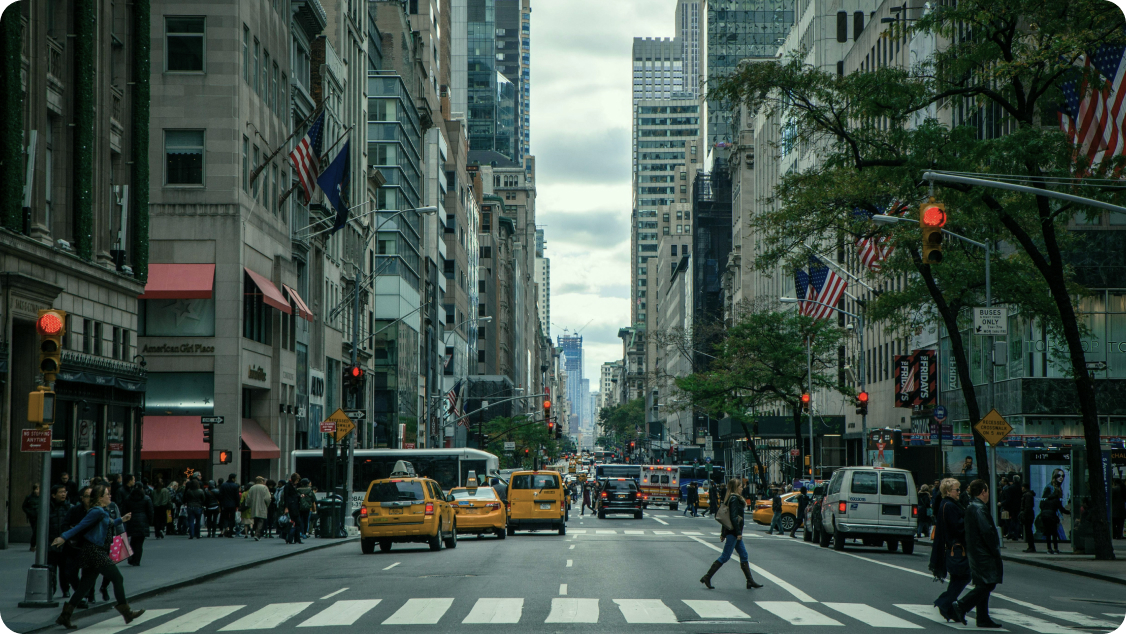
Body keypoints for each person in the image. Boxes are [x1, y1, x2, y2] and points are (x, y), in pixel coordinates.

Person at [53, 484, 143, 629]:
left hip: (94, 551)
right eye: (107, 494)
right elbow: (80, 526)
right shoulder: (97, 511)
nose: (110, 496)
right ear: (100, 498)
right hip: (95, 551)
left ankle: (65, 616)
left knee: (84, 587)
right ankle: (126, 612)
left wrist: (122, 519)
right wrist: (63, 537)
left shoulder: (102, 511)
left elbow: (110, 523)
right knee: (117, 578)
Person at [951, 480, 1003, 628]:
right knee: (988, 583)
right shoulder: (979, 508)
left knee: (983, 583)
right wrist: (995, 550)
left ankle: (982, 617)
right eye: (987, 491)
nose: (988, 495)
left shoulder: (971, 507)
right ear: (983, 492)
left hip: (975, 552)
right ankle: (962, 606)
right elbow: (987, 531)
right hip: (983, 553)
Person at [699, 478, 763, 590]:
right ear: (735, 488)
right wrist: (737, 533)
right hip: (734, 533)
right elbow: (733, 517)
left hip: (732, 532)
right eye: (740, 487)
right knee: (725, 556)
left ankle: (750, 581)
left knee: (744, 555)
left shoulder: (731, 498)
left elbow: (726, 517)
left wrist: (723, 533)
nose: (742, 489)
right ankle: (707, 577)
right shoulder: (734, 499)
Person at [930, 478, 970, 623]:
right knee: (964, 576)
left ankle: (950, 609)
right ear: (948, 491)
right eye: (957, 490)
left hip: (951, 548)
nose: (959, 492)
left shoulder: (945, 504)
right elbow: (958, 528)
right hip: (957, 548)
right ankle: (945, 603)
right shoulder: (950, 506)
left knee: (957, 579)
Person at [62, 486, 94, 607]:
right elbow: (65, 524)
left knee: (88, 573)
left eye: (91, 496)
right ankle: (82, 593)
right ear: (82, 498)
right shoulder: (74, 510)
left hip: (90, 547)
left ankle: (88, 594)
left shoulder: (97, 511)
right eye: (86, 496)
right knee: (70, 573)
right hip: (74, 547)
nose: (89, 499)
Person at [47, 484, 73, 598]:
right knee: (51, 569)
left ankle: (65, 589)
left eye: (64, 492)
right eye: (60, 492)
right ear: (53, 495)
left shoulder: (69, 507)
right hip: (51, 543)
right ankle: (51, 589)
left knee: (64, 570)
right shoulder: (47, 508)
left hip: (65, 544)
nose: (63, 494)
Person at [121, 485, 153, 566]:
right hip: (143, 521)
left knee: (133, 540)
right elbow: (150, 512)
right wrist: (150, 522)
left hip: (131, 521)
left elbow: (124, 510)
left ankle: (131, 556)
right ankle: (136, 560)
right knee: (139, 543)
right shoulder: (146, 499)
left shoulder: (128, 498)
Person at [1039, 486, 1069, 554]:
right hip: (1051, 517)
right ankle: (1055, 548)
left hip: (1044, 516)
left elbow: (1042, 507)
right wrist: (1070, 512)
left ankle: (1049, 549)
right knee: (1054, 534)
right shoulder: (1056, 500)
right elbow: (1062, 509)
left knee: (1048, 533)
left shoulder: (1047, 499)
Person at [283, 473, 304, 544]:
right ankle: (291, 538)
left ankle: (295, 538)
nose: (298, 482)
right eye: (297, 480)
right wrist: (286, 507)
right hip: (291, 506)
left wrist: (299, 496)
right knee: (293, 522)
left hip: (295, 506)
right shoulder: (288, 486)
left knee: (296, 522)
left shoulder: (293, 486)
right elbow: (286, 497)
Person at [23, 484, 41, 551]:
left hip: (40, 516)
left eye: (39, 489)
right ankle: (33, 545)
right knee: (35, 530)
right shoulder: (29, 497)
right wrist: (30, 512)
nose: (38, 491)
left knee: (37, 531)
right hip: (33, 517)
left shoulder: (42, 497)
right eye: (36, 489)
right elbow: (24, 506)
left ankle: (35, 545)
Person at [1019, 483, 1036, 552]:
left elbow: (1027, 506)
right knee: (1028, 531)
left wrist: (1024, 514)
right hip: (1029, 515)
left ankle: (1031, 547)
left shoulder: (1027, 495)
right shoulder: (1028, 494)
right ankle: (1031, 546)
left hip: (1028, 515)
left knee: (1028, 531)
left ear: (1024, 487)